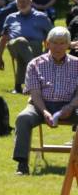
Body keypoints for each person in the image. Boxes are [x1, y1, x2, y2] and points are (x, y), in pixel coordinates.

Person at [10, 27, 78, 175]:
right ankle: (22, 164)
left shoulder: (76, 64)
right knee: (23, 118)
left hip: (70, 105)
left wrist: (70, 107)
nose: (58, 47)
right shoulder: (35, 64)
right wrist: (45, 111)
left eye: (62, 43)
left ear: (68, 45)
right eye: (54, 43)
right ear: (47, 44)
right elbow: (35, 94)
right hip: (40, 105)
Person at [0, 0, 54, 93]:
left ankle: (18, 86)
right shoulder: (10, 17)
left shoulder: (41, 17)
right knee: (21, 42)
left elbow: (51, 36)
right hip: (14, 45)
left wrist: (46, 52)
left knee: (23, 54)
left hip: (35, 47)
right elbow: (4, 37)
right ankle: (37, 73)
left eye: (25, 1)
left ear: (31, 3)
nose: (22, 4)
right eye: (19, 2)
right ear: (16, 4)